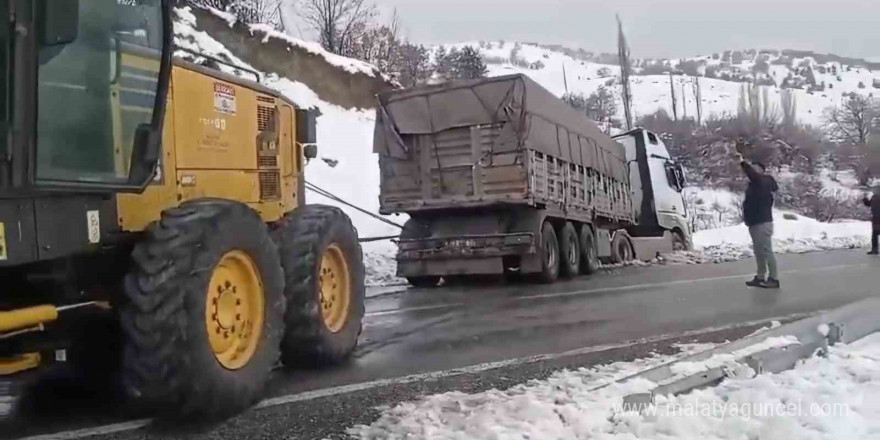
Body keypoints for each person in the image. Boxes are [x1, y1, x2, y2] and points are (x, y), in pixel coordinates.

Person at [735, 152, 780, 288]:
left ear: (761, 170)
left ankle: (774, 278)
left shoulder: (765, 181)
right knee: (758, 251)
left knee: (766, 251)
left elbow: (754, 176)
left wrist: (742, 162)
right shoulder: (755, 184)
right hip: (754, 222)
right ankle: (760, 276)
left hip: (763, 222)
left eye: (754, 168)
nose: (752, 170)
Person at [863, 187, 880, 255]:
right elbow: (868, 204)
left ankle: (874, 250)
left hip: (877, 218)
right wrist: (865, 198)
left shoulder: (875, 198)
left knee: (875, 235)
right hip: (875, 218)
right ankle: (874, 250)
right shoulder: (873, 198)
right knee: (874, 235)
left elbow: (868, 204)